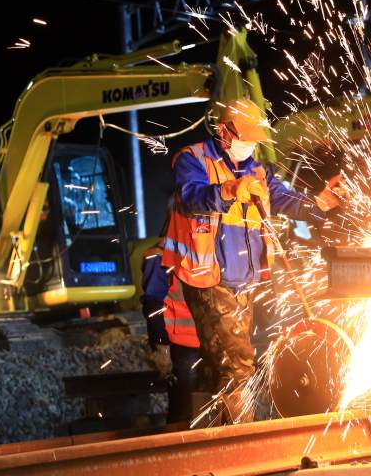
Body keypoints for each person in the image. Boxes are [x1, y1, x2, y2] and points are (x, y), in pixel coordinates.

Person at [161, 98, 344, 423]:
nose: (248, 146)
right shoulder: (193, 160)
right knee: (238, 365)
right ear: (223, 131)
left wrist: (317, 205)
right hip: (210, 279)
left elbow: (284, 199)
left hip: (243, 282)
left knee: (222, 364)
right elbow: (191, 198)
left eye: (253, 141)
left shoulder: (257, 170)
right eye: (244, 139)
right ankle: (246, 437)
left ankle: (212, 434)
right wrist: (230, 189)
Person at [141, 237, 200, 423]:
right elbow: (153, 304)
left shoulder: (205, 249)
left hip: (209, 342)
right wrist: (160, 345)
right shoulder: (158, 255)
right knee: (184, 410)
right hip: (181, 346)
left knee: (209, 409)